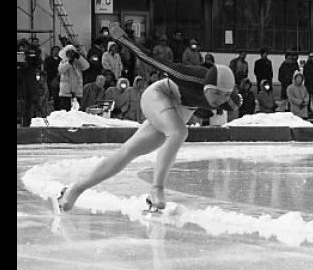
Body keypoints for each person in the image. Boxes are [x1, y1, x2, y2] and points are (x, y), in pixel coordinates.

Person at [56, 26, 242, 213]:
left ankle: (74, 190)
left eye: (225, 95)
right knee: (178, 132)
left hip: (178, 111)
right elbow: (151, 58)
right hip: (159, 95)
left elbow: (230, 101)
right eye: (216, 93)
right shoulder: (188, 76)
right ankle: (157, 190)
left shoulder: (231, 101)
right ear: (206, 85)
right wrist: (123, 39)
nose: (220, 99)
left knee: (128, 151)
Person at [57, 45, 90, 111]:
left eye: (72, 52)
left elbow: (86, 66)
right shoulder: (63, 62)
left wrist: (79, 57)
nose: (70, 54)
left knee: (76, 111)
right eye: (68, 52)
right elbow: (61, 70)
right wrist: (69, 63)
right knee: (65, 111)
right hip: (66, 92)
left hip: (77, 91)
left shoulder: (78, 62)